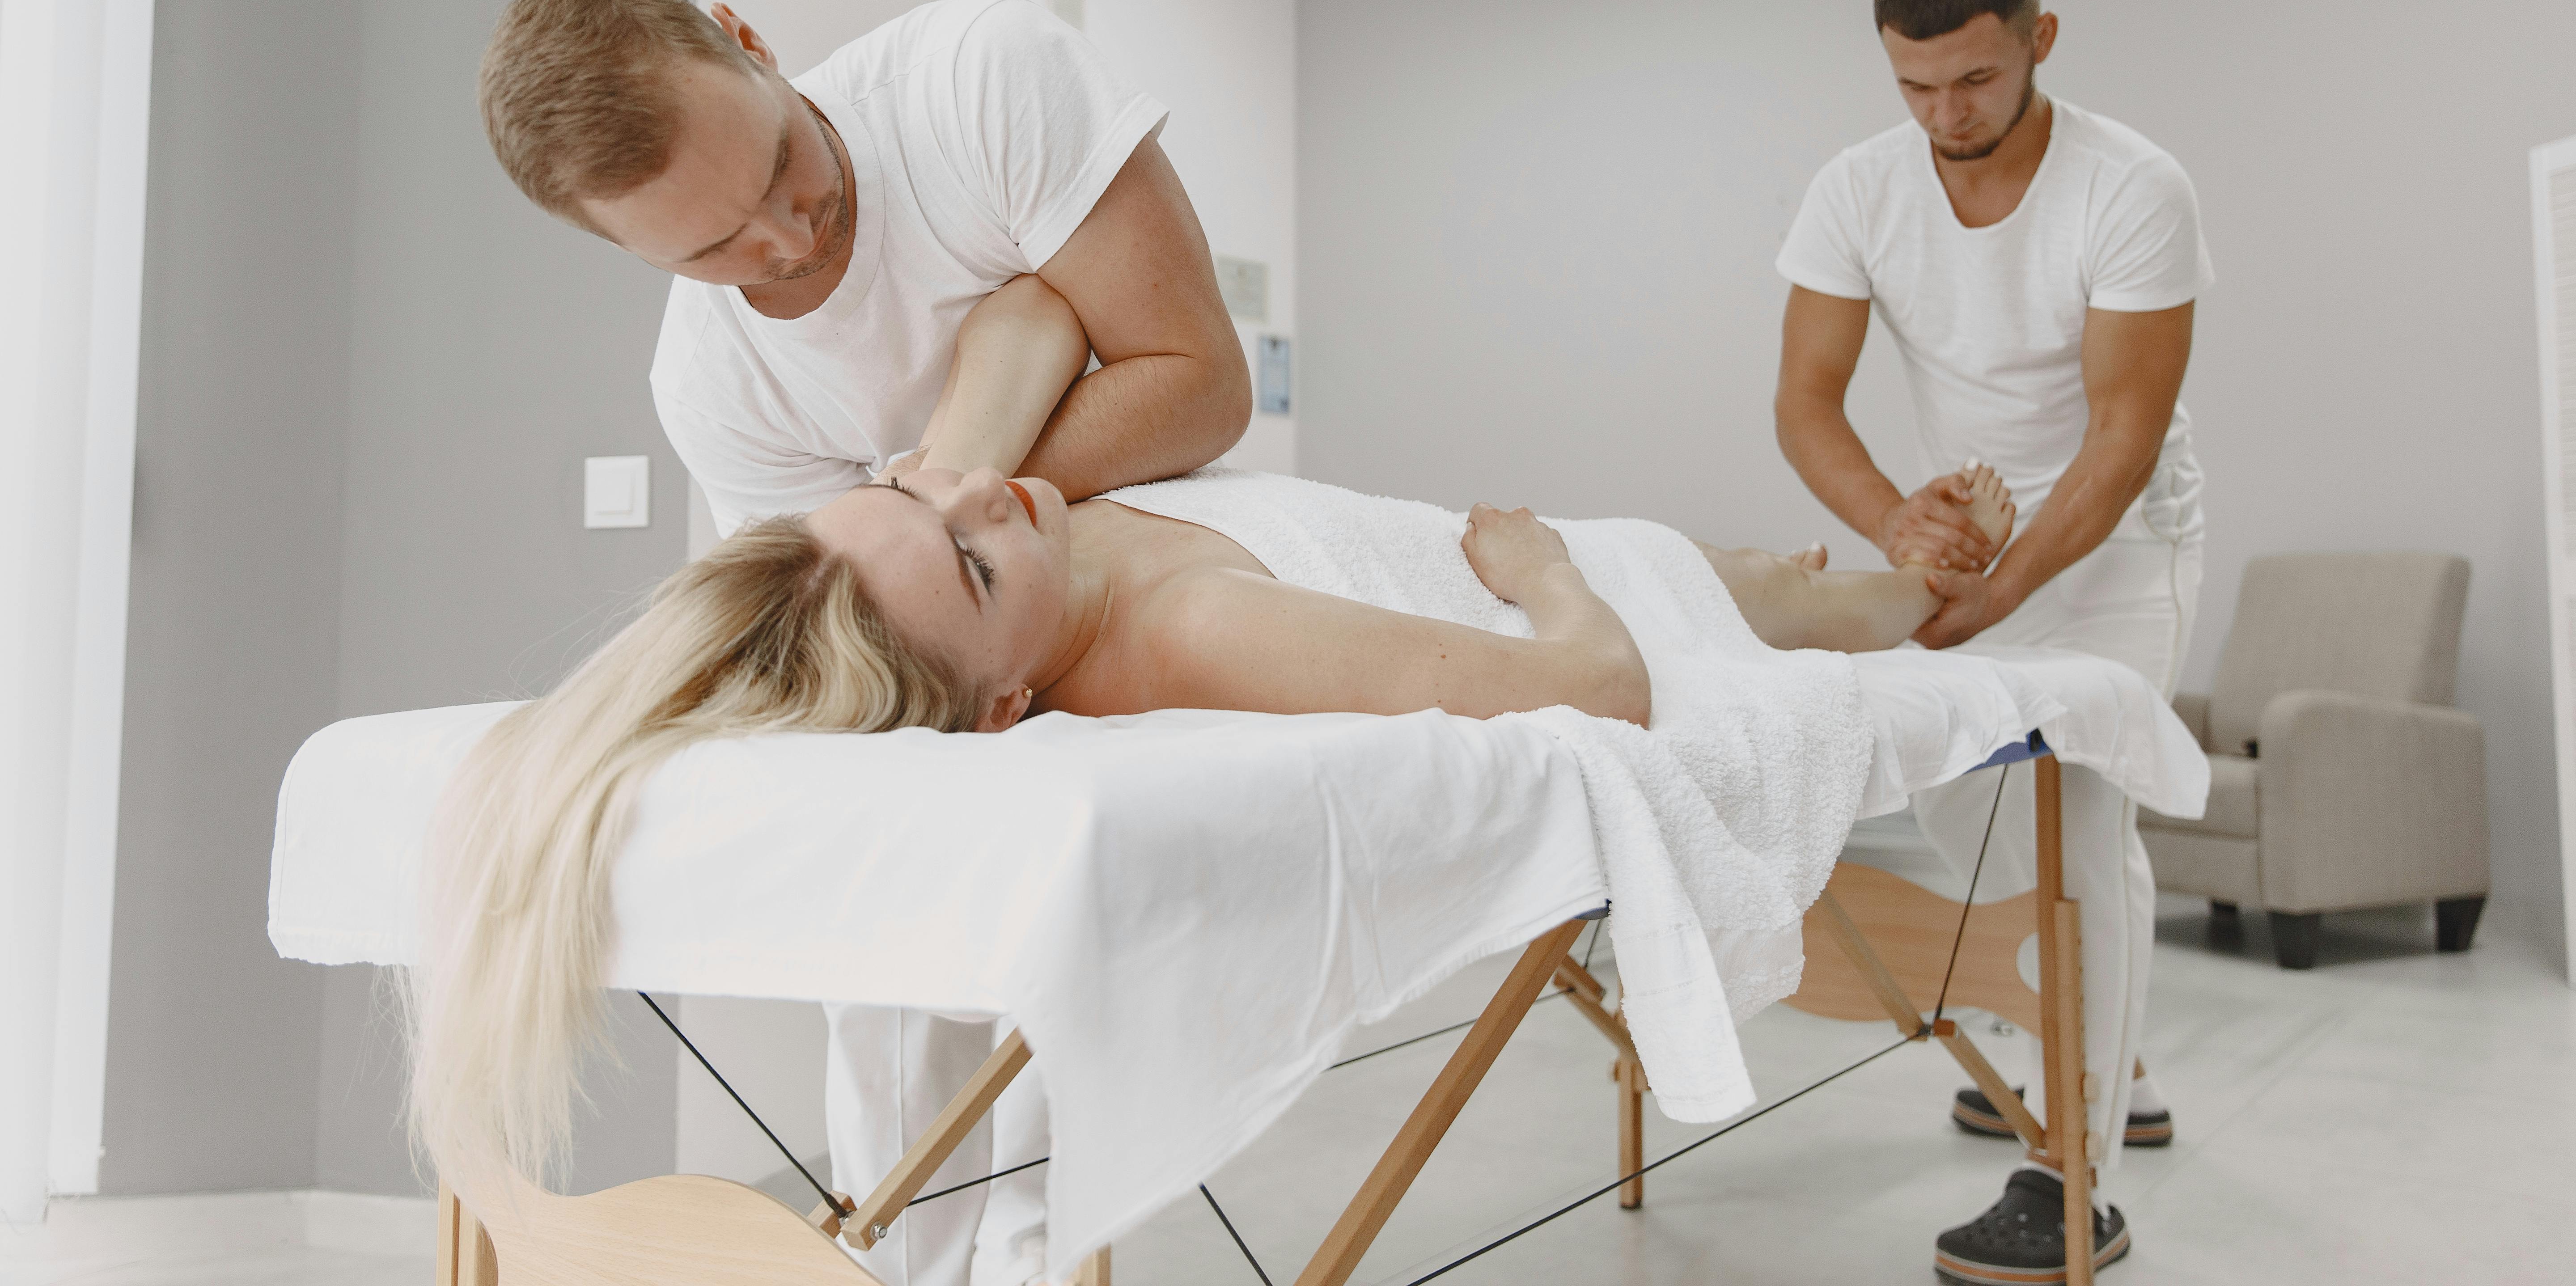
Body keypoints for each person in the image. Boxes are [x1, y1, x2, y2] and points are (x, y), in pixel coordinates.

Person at [406, 270, 2019, 1230]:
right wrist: (1539, 567)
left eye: (911, 492)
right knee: (1825, 613)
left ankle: (1884, 569)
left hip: (1547, 543)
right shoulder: (1192, 641)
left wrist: (947, 484)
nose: (990, 495)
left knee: (1779, 573)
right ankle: (1924, 584)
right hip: (1590, 586)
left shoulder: (990, 515)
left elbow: (1035, 309)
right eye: (969, 561)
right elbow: (1599, 696)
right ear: (1002, 716)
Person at [477, 0, 1251, 1285]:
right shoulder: (710, 383)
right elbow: (869, 622)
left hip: (1142, 551)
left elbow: (1198, 387)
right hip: (942, 642)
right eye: (713, 250)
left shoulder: (980, 83)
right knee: (890, 925)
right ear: (629, 255)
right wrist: (983, 429)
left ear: (749, 41)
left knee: (1059, 909)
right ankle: (898, 1264)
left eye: (780, 164)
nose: (785, 240)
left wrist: (935, 493)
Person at [1773, 0, 2211, 1283]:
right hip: (1970, 539)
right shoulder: (1857, 189)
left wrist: (2004, 590)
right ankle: (2112, 1064)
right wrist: (1900, 530)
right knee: (1973, 810)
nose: (1945, 115)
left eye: (1973, 79)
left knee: (2080, 818)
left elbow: (2123, 437)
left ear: (2040, 41)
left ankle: (2071, 1174)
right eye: (1914, 87)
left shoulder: (2131, 186)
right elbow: (1805, 403)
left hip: (2123, 538)